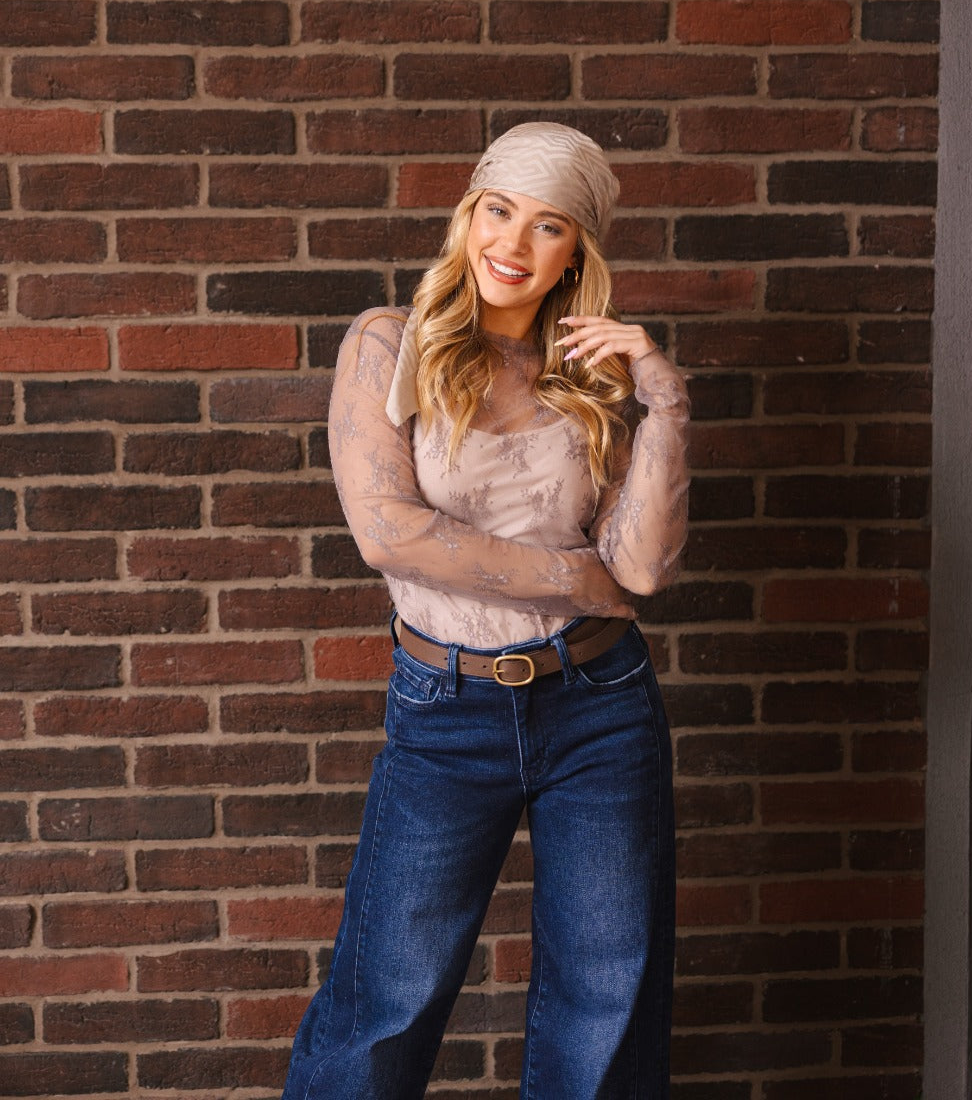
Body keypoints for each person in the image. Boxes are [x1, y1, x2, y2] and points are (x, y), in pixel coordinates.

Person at [281, 121, 690, 1100]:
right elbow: (390, 534)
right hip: (447, 706)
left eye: (549, 226)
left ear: (575, 253)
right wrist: (576, 580)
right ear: (470, 215)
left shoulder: (590, 375)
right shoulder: (390, 343)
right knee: (387, 998)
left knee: (607, 998)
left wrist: (665, 401)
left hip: (600, 703)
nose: (513, 243)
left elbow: (640, 568)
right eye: (499, 211)